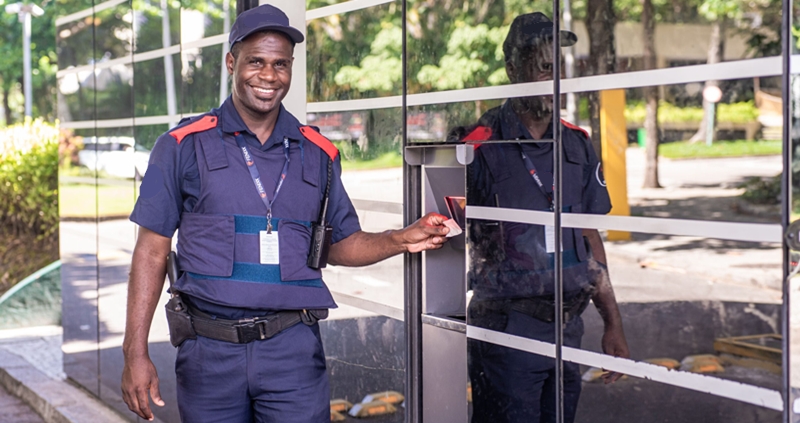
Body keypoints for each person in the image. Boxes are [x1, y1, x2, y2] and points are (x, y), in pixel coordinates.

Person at [120, 5, 449, 423]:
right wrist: (135, 352)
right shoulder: (183, 145)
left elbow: (341, 244)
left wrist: (400, 238)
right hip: (210, 354)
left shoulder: (319, 153)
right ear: (231, 62)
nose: (269, 76)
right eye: (255, 61)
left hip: (292, 352)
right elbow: (150, 252)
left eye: (280, 65)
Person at [447, 12, 629, 423]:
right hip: (507, 332)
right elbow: (446, 235)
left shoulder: (577, 146)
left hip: (568, 328)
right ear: (514, 70)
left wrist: (613, 324)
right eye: (545, 67)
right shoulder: (478, 145)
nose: (555, 79)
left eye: (559, 68)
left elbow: (589, 239)